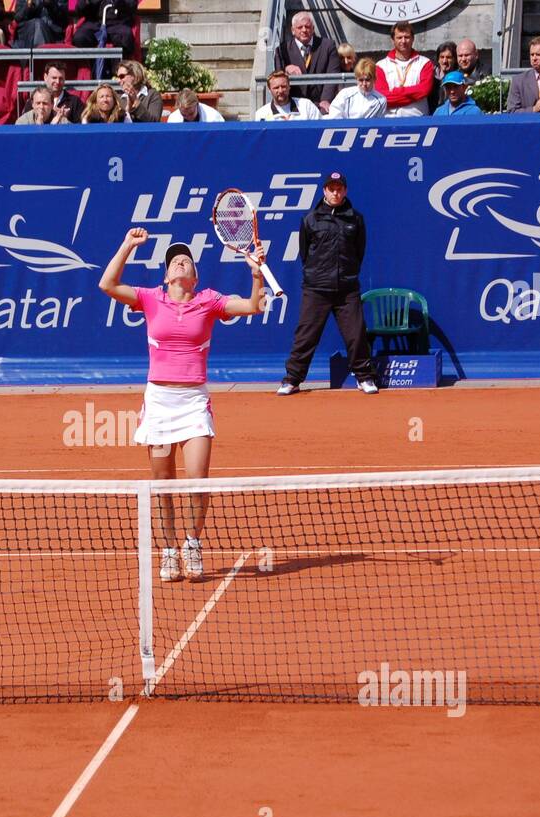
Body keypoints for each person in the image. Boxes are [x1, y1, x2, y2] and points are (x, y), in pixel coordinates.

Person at [98, 231, 266, 582]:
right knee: (163, 483)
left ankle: (192, 542)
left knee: (197, 482)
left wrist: (255, 274)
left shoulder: (209, 300)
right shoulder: (149, 298)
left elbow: (251, 306)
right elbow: (107, 283)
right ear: (166, 275)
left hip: (193, 403)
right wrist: (127, 244)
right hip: (159, 402)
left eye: (186, 259)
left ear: (194, 276)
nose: (179, 261)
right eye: (174, 260)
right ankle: (170, 549)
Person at [278, 172, 376, 397]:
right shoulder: (310, 219)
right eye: (331, 188)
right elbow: (305, 253)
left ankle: (364, 376)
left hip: (347, 289)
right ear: (324, 190)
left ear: (345, 191)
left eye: (339, 188)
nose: (335, 192)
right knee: (306, 335)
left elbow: (359, 252)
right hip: (316, 288)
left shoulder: (355, 219)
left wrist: (347, 274)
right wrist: (318, 274)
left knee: (356, 334)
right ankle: (292, 379)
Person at [275, 11, 338, 112]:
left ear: (313, 29)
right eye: (300, 27)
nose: (304, 30)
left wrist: (326, 100)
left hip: (321, 105)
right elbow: (277, 77)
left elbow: (333, 74)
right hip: (294, 106)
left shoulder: (328, 46)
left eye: (307, 26)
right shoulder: (282, 50)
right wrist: (286, 69)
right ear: (292, 30)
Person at [375, 20, 434, 116]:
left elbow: (423, 90)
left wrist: (397, 92)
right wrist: (413, 96)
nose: (403, 41)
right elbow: (382, 97)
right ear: (393, 40)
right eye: (399, 37)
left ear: (413, 39)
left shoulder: (425, 63)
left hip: (417, 120)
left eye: (407, 37)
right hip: (389, 122)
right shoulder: (380, 66)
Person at [72, 1, 138, 62]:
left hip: (118, 23)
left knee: (125, 37)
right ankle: (89, 70)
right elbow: (79, 9)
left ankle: (118, 70)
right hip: (94, 23)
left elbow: (132, 6)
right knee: (80, 38)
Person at [254, 70, 322, 120]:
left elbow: (320, 129)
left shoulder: (306, 106)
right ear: (269, 89)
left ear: (289, 87)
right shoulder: (261, 114)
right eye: (276, 88)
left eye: (283, 86)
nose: (280, 91)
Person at [428, 41, 458, 112]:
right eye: (442, 57)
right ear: (438, 59)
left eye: (448, 57)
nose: (444, 61)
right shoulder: (430, 77)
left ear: (455, 59)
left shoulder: (459, 79)